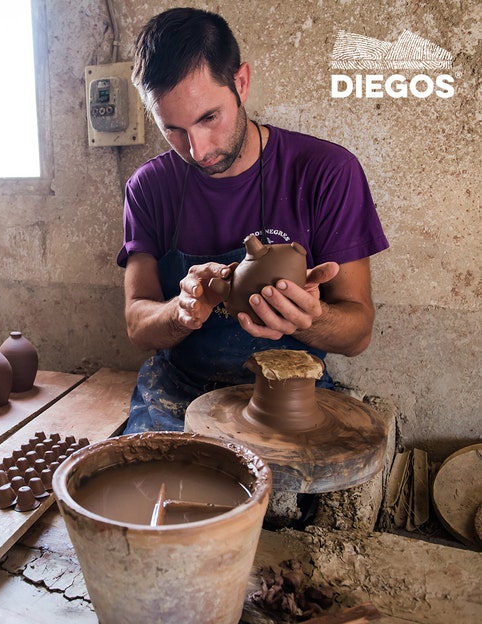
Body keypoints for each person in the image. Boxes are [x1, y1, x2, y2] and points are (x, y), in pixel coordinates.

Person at [117, 8, 389, 434]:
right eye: (172, 129)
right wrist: (183, 311)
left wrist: (311, 317)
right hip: (179, 391)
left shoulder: (327, 172)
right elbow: (138, 324)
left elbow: (359, 333)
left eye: (209, 117)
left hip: (291, 397)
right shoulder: (148, 188)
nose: (198, 148)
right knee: (151, 486)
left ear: (240, 83)